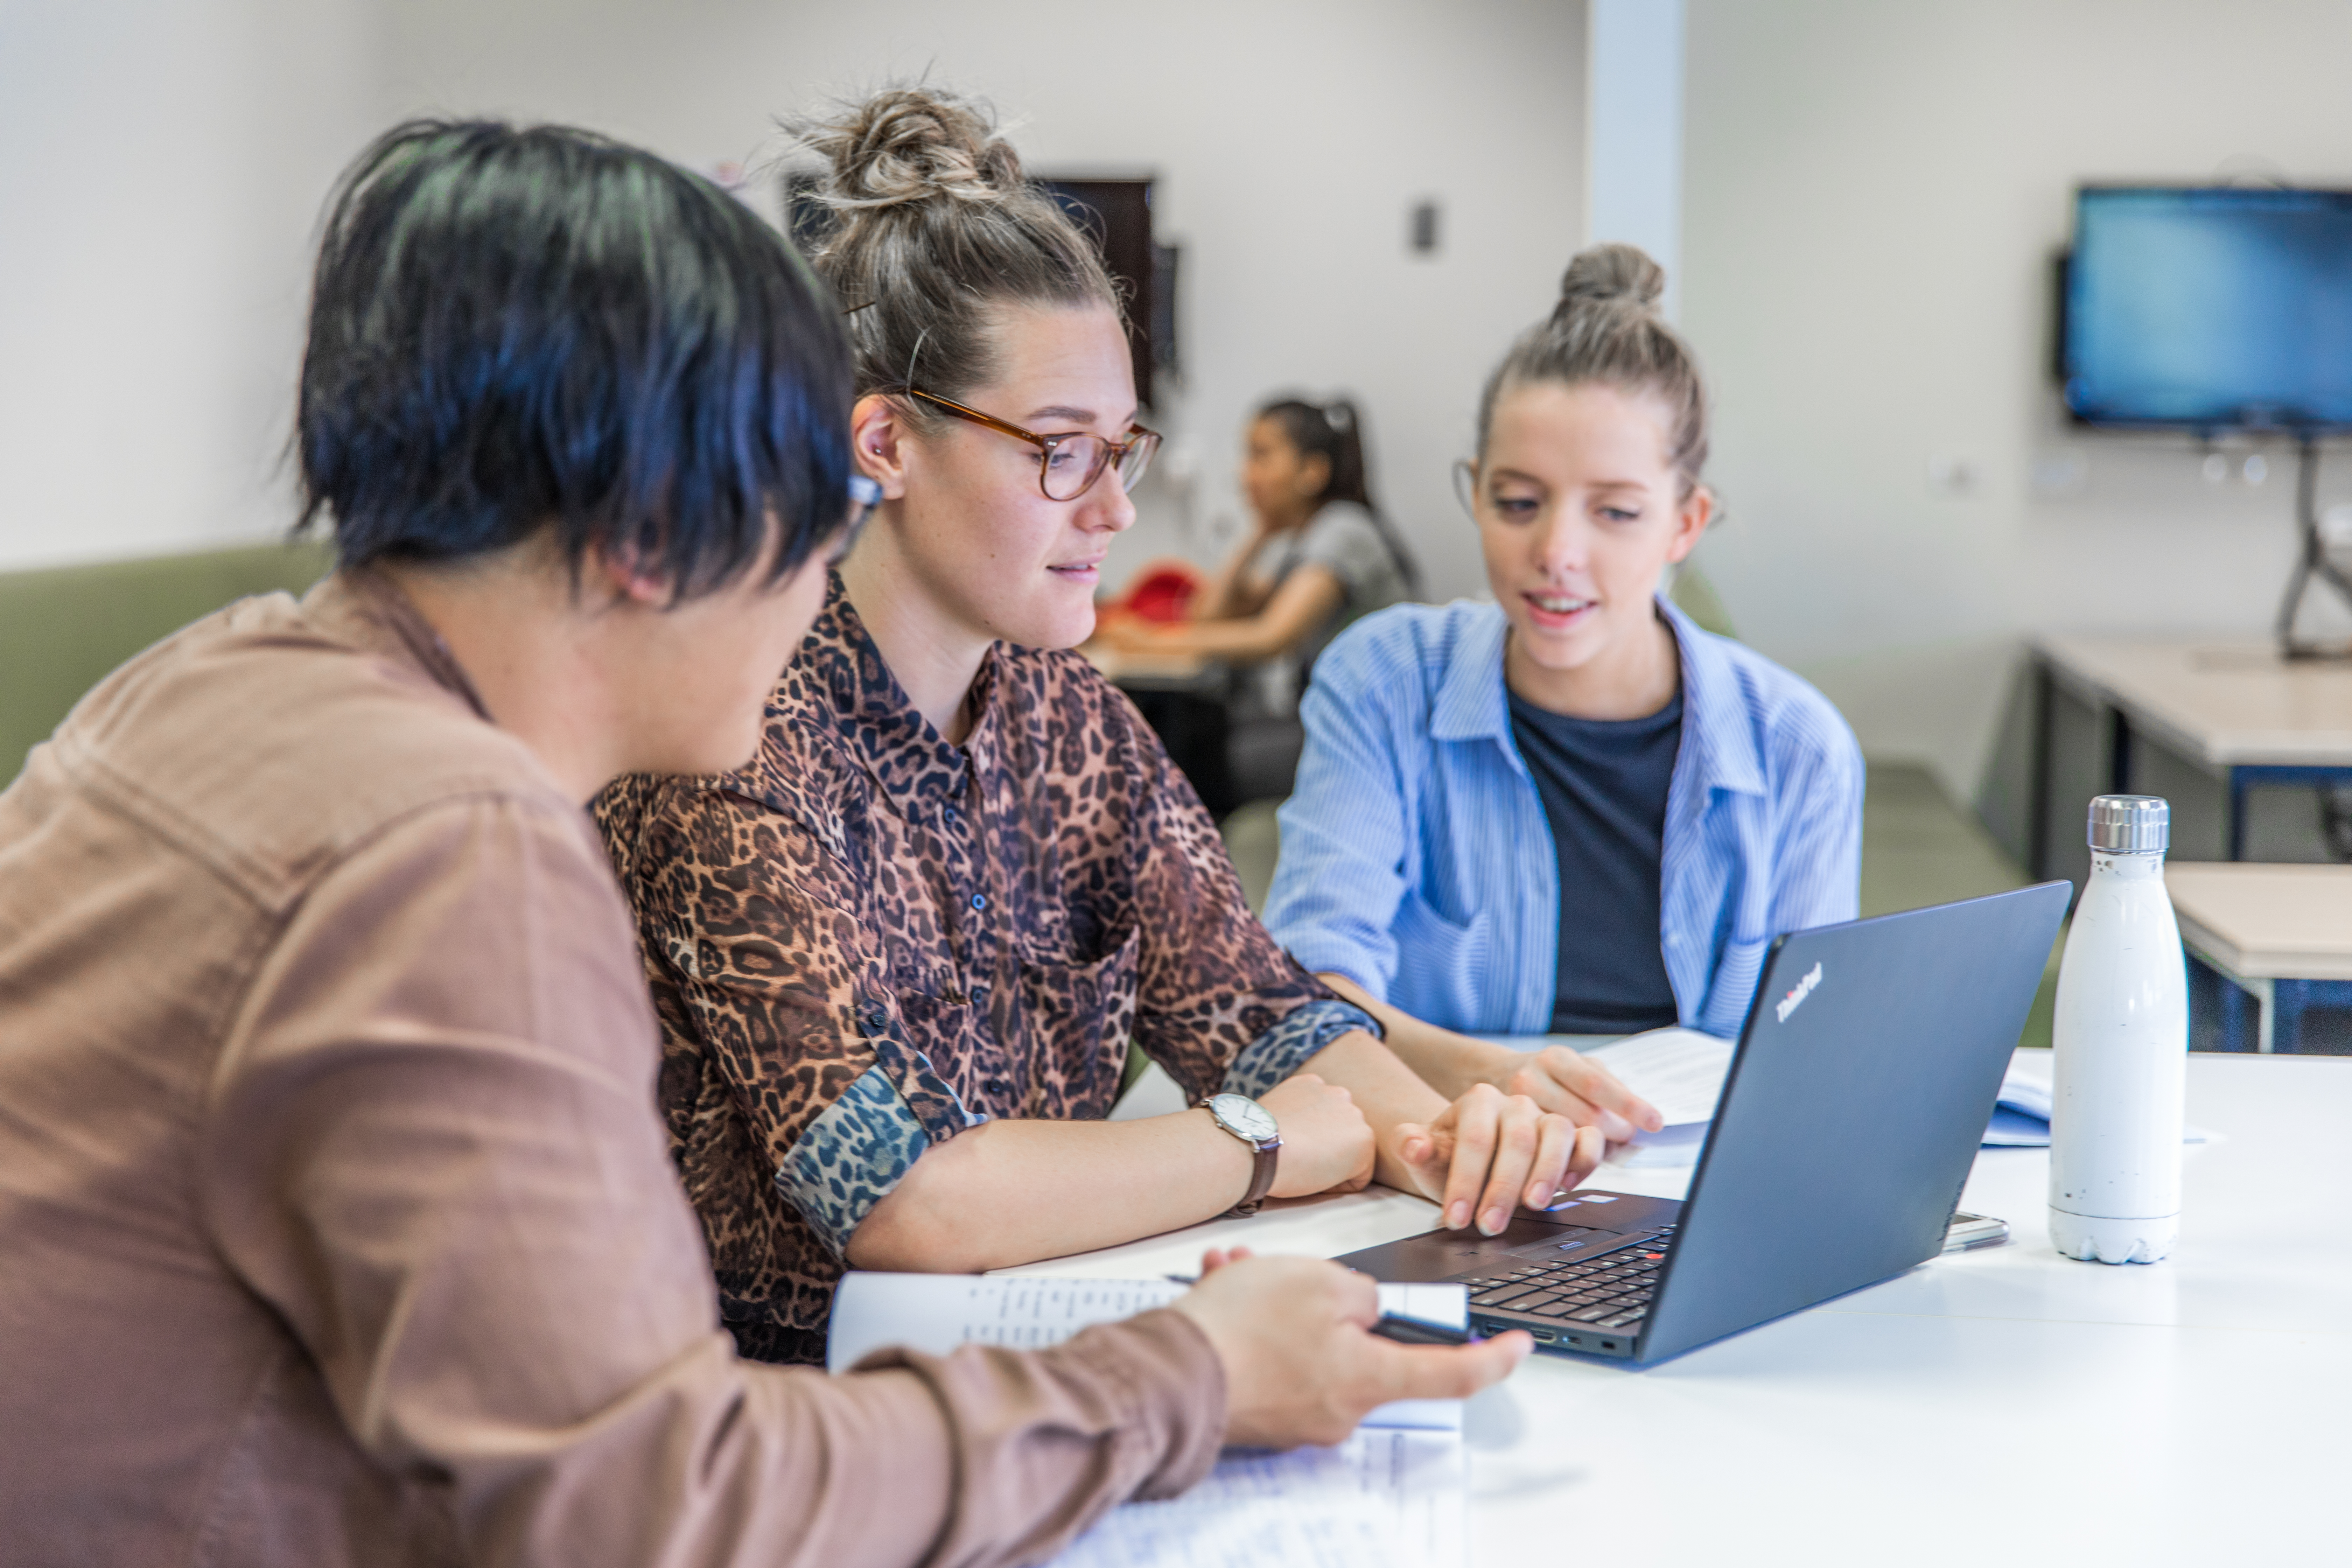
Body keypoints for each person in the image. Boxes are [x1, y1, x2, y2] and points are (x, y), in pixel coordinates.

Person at [0, 118, 1530, 1568]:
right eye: (801, 503)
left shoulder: (199, 687)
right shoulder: (451, 851)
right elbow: (658, 1506)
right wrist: (1180, 1375)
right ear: (646, 522)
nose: (817, 570)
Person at [594, 85, 1603, 1371]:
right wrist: (1259, 1141)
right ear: (885, 441)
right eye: (1059, 453)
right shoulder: (735, 738)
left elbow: (1264, 1014)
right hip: (773, 1422)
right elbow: (907, 1199)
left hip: (1028, 1372)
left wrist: (1445, 1142)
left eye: (1122, 451)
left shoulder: (1072, 722)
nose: (1114, 509)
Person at [1263, 244, 1863, 1135]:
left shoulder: (1798, 747)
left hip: (1691, 1189)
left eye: (1616, 512)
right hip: (1438, 1156)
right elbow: (1307, 987)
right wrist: (1491, 1077)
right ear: (1475, 494)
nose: (1557, 552)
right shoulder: (1383, 681)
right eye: (1518, 503)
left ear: (1685, 522)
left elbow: (1811, 1053)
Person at [1104, 397, 1417, 811]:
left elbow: (1272, 638)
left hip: (1371, 737)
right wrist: (1260, 531)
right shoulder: (1302, 540)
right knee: (1195, 728)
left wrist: (1147, 643)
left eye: (1260, 455)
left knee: (1200, 755)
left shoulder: (1344, 529)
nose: (1245, 472)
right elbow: (1209, 614)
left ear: (1313, 472)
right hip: (1327, 719)